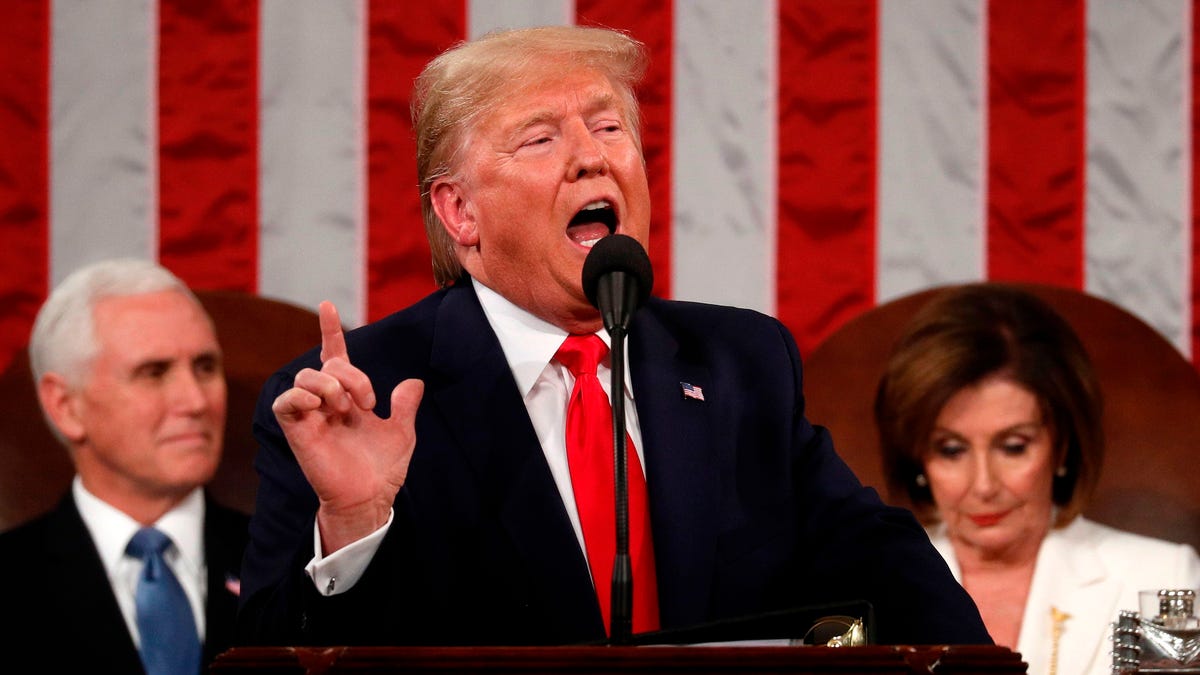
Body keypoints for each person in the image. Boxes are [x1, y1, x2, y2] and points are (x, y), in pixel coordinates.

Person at [237, 25, 991, 648]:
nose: (592, 155)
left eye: (607, 126)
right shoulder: (357, 396)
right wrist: (354, 527)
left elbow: (879, 563)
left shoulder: (739, 366)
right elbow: (269, 659)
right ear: (460, 212)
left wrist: (974, 666)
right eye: (539, 139)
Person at [874, 283, 1200, 675]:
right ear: (916, 457)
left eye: (1013, 447)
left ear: (1062, 446)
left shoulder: (1160, 577)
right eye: (951, 450)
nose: (984, 485)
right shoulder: (872, 589)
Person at [0, 258, 249, 674]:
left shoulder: (299, 569)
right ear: (66, 407)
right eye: (154, 373)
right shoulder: (10, 581)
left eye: (205, 367)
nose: (196, 401)